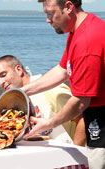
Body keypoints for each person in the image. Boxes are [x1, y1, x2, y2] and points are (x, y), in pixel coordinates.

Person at [20, 0, 105, 168]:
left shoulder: (87, 41)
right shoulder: (79, 29)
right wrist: (22, 91)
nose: (48, 20)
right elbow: (63, 70)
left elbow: (81, 100)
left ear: (68, 7)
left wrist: (49, 123)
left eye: (51, 13)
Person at [0, 55, 86, 146]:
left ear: (19, 70)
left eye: (3, 75)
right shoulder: (15, 103)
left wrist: (76, 149)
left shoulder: (51, 89)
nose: (1, 83)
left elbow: (84, 118)